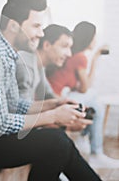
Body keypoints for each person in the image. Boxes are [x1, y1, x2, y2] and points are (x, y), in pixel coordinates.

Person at [0, 0, 101, 181]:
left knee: (57, 145)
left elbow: (13, 105)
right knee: (56, 142)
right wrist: (54, 116)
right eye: (36, 26)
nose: (41, 34)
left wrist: (53, 105)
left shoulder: (5, 54)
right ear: (13, 25)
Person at [46, 21, 119, 168]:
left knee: (94, 100)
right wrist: (96, 57)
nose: (96, 41)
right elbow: (85, 88)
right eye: (95, 37)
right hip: (54, 98)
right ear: (89, 37)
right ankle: (95, 152)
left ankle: (85, 139)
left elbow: (79, 88)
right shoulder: (80, 57)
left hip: (56, 95)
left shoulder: (74, 55)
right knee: (94, 99)